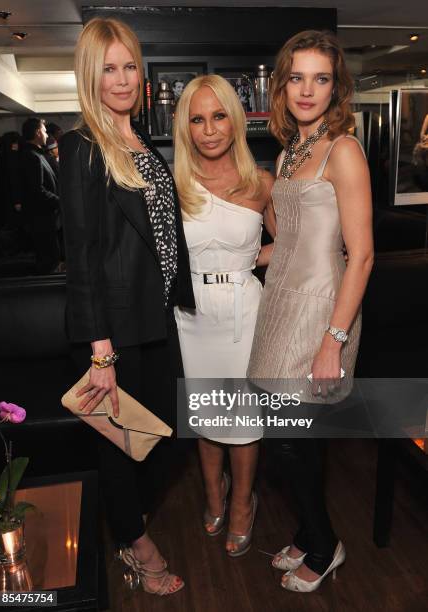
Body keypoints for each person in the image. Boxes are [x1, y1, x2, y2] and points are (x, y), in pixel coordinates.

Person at [59, 17, 194, 596]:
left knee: (158, 438)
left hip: (156, 318)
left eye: (129, 66)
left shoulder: (141, 141)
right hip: (115, 332)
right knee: (119, 443)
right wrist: (100, 350)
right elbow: (83, 254)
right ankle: (135, 544)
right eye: (108, 68)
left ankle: (129, 524)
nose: (121, 79)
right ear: (91, 76)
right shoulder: (83, 146)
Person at [247, 30, 374, 592]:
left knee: (295, 439)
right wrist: (254, 246)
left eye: (320, 78)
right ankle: (306, 529)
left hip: (323, 310)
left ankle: (324, 546)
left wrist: (334, 340)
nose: (307, 89)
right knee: (283, 436)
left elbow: (362, 253)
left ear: (335, 87)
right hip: (281, 303)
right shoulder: (290, 150)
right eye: (296, 77)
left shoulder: (343, 149)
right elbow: (292, 233)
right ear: (281, 85)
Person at [173, 74, 275, 556]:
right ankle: (214, 494)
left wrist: (245, 260)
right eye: (197, 118)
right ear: (185, 127)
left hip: (244, 312)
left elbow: (293, 248)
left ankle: (242, 503)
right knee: (205, 413)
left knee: (243, 418)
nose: (209, 129)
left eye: (218, 116)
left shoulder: (262, 183)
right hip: (191, 315)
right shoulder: (174, 185)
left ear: (235, 121)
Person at [21, 117, 60, 274]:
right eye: (44, 131)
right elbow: (38, 190)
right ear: (37, 133)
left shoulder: (35, 154)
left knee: (48, 254)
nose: (46, 135)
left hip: (42, 215)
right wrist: (61, 202)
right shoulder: (32, 156)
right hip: (41, 216)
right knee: (48, 256)